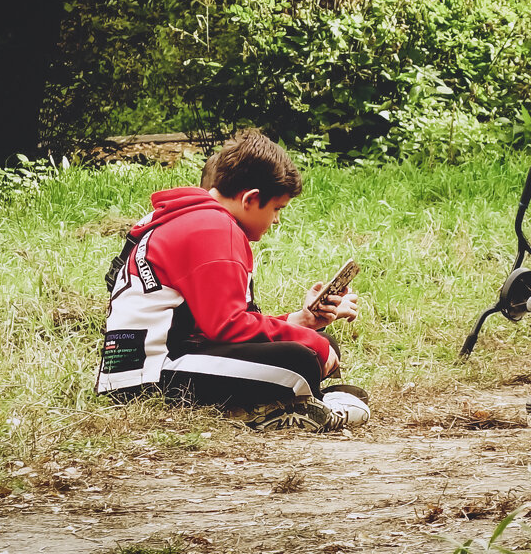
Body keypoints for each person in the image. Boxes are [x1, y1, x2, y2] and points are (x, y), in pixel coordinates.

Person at [95, 129, 370, 432]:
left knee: (317, 346)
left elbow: (214, 324)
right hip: (153, 376)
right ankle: (272, 410)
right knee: (301, 359)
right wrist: (309, 342)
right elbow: (228, 328)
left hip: (148, 368)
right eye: (276, 209)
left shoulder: (195, 218)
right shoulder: (214, 227)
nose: (276, 220)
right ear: (251, 199)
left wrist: (301, 322)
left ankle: (288, 403)